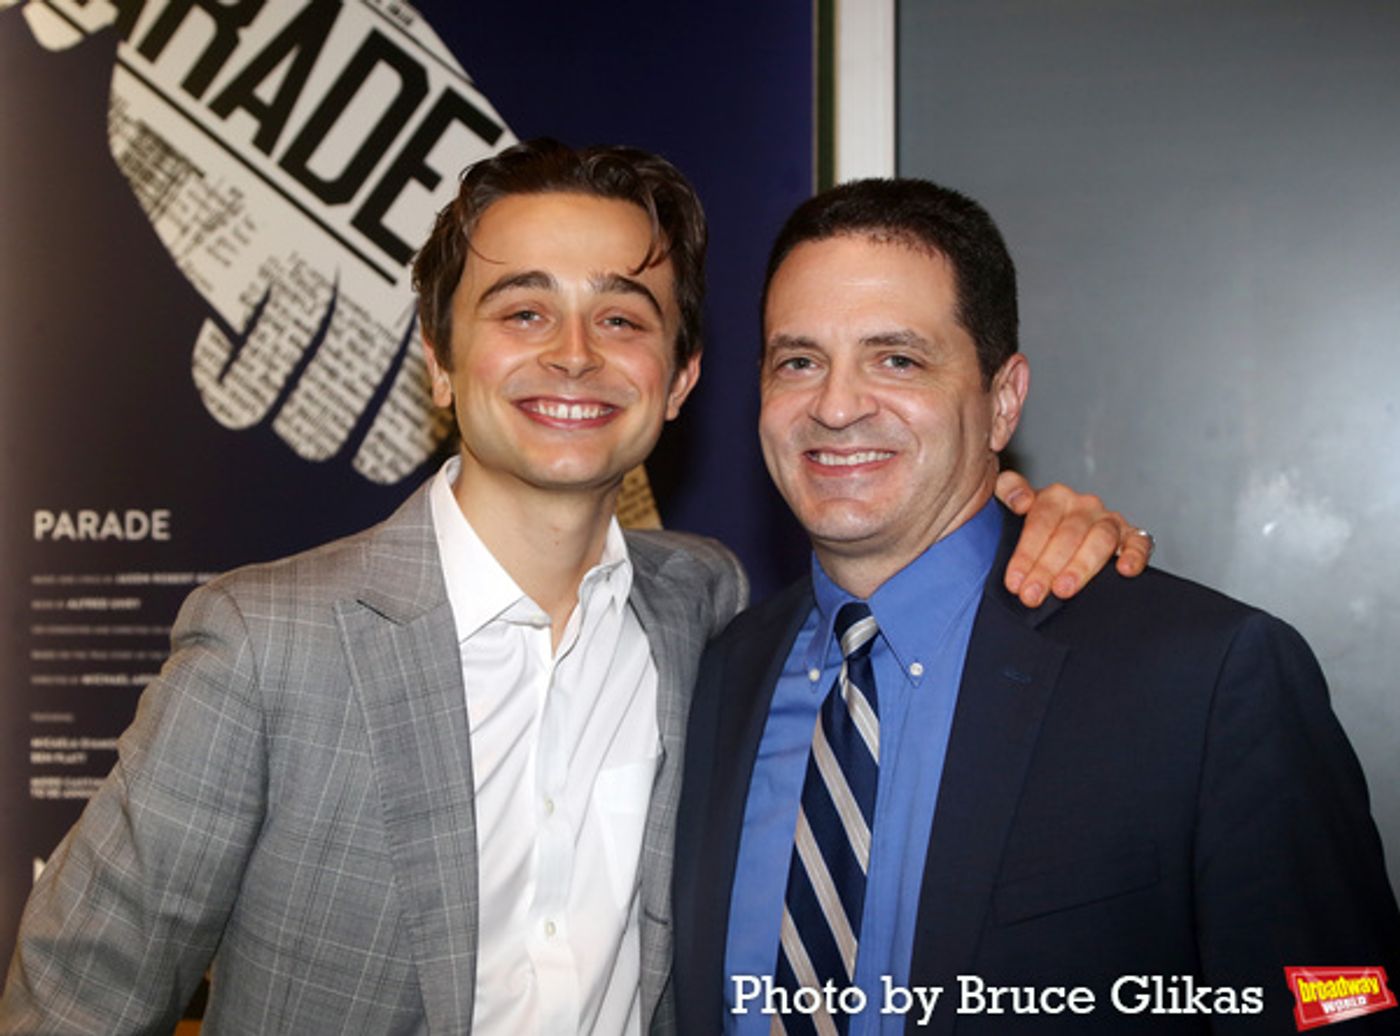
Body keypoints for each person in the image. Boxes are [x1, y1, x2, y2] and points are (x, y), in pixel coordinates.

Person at [0, 141, 1147, 1035]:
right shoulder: (269, 640)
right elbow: (79, 991)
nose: (572, 354)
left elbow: (912, 569)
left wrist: (1031, 521)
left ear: (681, 376)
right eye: (521, 310)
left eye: (621, 317)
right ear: (441, 363)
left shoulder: (710, 612)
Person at [673, 177, 1400, 1034]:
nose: (835, 406)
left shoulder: (1202, 680)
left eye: (896, 359)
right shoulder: (723, 670)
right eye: (798, 361)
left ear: (1003, 400)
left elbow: (1343, 1005)